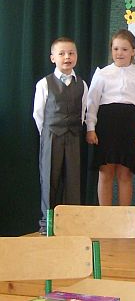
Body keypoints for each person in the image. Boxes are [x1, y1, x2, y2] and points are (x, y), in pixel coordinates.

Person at [86, 29, 135, 206]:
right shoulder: (102, 74)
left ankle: (124, 216)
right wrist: (90, 128)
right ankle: (105, 215)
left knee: (125, 173)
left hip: (128, 128)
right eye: (115, 49)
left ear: (133, 51)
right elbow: (92, 104)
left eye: (124, 49)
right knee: (105, 172)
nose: (119, 53)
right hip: (106, 127)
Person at [33, 37, 88, 233]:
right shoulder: (44, 83)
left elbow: (83, 111)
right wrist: (48, 133)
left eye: (71, 53)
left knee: (73, 180)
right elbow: (38, 114)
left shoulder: (82, 84)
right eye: (62, 53)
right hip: (51, 136)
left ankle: (71, 223)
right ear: (53, 58)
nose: (67, 57)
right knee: (50, 179)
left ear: (76, 56)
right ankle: (47, 224)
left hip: (73, 136)